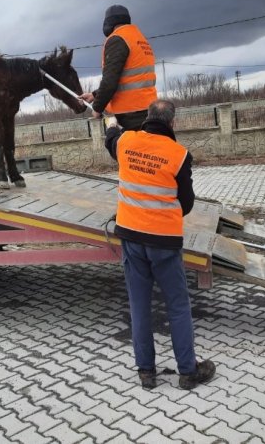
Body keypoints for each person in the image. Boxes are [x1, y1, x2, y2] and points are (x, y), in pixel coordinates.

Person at [104, 99, 216, 390]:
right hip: (164, 242)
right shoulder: (179, 155)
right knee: (178, 305)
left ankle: (146, 373)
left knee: (139, 306)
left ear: (147, 118)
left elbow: (111, 138)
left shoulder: (126, 142)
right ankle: (188, 372)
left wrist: (110, 123)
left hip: (131, 237)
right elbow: (187, 204)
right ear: (172, 123)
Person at [80, 5, 158, 130]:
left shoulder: (117, 39)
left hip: (131, 114)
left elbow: (110, 81)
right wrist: (94, 95)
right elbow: (127, 79)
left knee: (129, 149)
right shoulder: (139, 38)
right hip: (149, 109)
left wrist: (97, 107)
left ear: (109, 23)